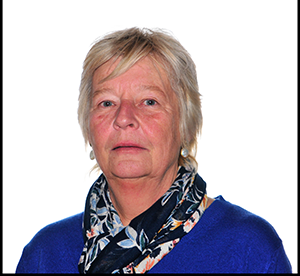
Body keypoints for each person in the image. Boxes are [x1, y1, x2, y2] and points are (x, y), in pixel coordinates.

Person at [16, 27, 292, 273]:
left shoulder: (248, 249)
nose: (123, 118)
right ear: (88, 128)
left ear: (186, 125)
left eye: (149, 101)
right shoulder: (45, 256)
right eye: (106, 103)